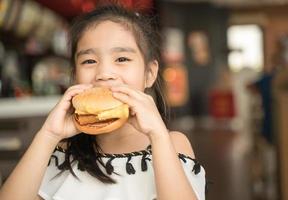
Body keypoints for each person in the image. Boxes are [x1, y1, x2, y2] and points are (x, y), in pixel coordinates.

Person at [0, 5, 206, 200]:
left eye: (122, 59)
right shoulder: (60, 151)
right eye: (89, 61)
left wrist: (158, 135)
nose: (104, 74)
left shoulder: (171, 143)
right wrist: (47, 136)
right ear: (75, 77)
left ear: (149, 74)